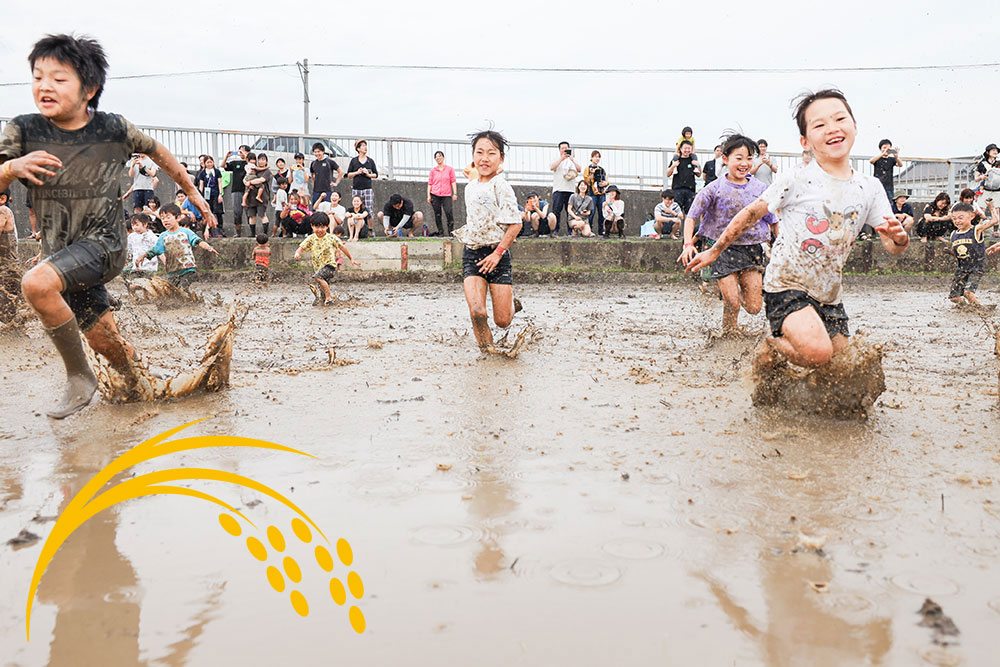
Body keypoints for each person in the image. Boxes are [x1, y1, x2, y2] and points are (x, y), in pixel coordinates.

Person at [686, 88, 909, 372]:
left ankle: (783, 379)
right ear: (806, 140)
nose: (832, 128)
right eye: (819, 124)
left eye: (840, 118)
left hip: (830, 294)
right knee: (818, 353)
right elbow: (751, 214)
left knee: (843, 367)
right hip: (786, 286)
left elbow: (891, 244)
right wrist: (714, 250)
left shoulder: (870, 187)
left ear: (854, 126)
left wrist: (899, 239)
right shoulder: (796, 178)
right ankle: (772, 342)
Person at [680, 134, 777, 334]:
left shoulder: (761, 190)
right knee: (732, 302)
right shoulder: (714, 188)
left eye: (749, 158)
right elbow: (691, 216)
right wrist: (688, 244)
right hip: (721, 249)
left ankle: (737, 289)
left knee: (754, 307)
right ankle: (729, 334)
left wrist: (781, 247)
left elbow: (775, 220)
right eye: (739, 158)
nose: (744, 163)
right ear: (725, 159)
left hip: (752, 249)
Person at [453, 129, 523, 350]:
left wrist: (497, 253)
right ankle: (488, 353)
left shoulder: (502, 186)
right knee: (477, 311)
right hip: (472, 253)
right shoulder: (470, 186)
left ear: (501, 158)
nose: (485, 158)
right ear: (473, 156)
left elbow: (516, 224)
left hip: (497, 254)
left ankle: (512, 305)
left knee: (502, 321)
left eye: (491, 153)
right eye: (480, 152)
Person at [139, 203, 219, 289]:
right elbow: (156, 249)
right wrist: (144, 255)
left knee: (181, 289)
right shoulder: (163, 236)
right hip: (172, 271)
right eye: (162, 218)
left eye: (168, 217)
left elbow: (198, 241)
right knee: (173, 293)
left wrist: (209, 247)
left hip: (187, 269)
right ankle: (194, 301)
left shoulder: (185, 232)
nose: (165, 220)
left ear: (178, 218)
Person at [294, 212, 361, 306]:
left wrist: (351, 259)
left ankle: (329, 298)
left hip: (330, 266)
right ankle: (326, 300)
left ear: (328, 226)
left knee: (317, 277)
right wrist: (297, 253)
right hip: (319, 268)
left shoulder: (331, 238)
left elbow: (342, 247)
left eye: (323, 227)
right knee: (322, 291)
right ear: (312, 226)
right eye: (317, 227)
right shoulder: (311, 238)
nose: (320, 230)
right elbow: (301, 247)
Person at [948, 201, 997, 307]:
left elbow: (994, 221)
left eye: (960, 218)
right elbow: (956, 251)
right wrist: (951, 252)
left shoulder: (976, 230)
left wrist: (991, 208)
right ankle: (966, 307)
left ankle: (979, 310)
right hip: (962, 269)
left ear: (972, 216)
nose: (957, 221)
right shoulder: (953, 234)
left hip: (976, 267)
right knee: (953, 297)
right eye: (954, 218)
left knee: (968, 293)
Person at [549, 141, 581, 235]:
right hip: (558, 189)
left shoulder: (572, 160)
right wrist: (561, 159)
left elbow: (579, 169)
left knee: (570, 212)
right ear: (559, 150)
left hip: (570, 190)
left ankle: (571, 231)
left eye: (566, 148)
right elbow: (552, 167)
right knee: (556, 211)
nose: (564, 150)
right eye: (562, 148)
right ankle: (555, 230)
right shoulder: (556, 159)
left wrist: (572, 160)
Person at [347, 140, 378, 235]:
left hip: (367, 188)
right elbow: (348, 174)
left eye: (365, 145)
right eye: (363, 146)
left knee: (369, 209)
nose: (365, 148)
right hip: (356, 188)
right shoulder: (354, 161)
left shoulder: (370, 161)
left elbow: (376, 174)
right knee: (356, 208)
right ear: (358, 149)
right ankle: (356, 230)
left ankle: (370, 230)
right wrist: (357, 172)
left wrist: (368, 174)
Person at [221, 144, 250, 237]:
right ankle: (238, 233)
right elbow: (223, 166)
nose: (240, 153)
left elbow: (251, 166)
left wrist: (246, 157)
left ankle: (252, 232)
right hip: (236, 190)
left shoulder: (250, 163)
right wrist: (227, 156)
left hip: (247, 190)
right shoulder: (235, 163)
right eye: (239, 150)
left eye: (243, 151)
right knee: (237, 212)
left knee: (249, 212)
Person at [427, 150, 457, 236]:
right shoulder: (433, 171)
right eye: (436, 157)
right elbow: (430, 183)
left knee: (448, 212)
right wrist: (428, 195)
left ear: (443, 157)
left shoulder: (450, 169)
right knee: (437, 214)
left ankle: (451, 232)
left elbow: (453, 181)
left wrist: (454, 193)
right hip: (435, 194)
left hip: (446, 195)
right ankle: (441, 232)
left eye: (440, 156)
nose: (438, 158)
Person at [667, 141, 701, 213]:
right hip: (677, 190)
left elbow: (699, 175)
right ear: (681, 149)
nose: (687, 150)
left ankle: (687, 224)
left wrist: (698, 165)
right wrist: (673, 166)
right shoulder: (676, 160)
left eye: (689, 148)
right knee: (675, 212)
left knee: (689, 213)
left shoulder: (693, 160)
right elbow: (668, 174)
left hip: (690, 190)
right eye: (685, 148)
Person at [195, 155, 225, 238]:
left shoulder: (217, 171)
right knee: (209, 212)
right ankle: (210, 230)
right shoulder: (202, 173)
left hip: (215, 194)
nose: (209, 164)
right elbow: (201, 185)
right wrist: (201, 196)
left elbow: (219, 183)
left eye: (210, 162)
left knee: (218, 212)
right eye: (207, 162)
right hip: (207, 195)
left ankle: (220, 230)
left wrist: (220, 194)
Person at [243, 152, 272, 236]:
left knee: (262, 214)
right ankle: (252, 234)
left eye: (263, 160)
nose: (261, 161)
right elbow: (245, 178)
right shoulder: (253, 169)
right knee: (251, 215)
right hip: (251, 196)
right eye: (259, 159)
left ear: (266, 161)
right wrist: (246, 182)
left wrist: (250, 182)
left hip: (262, 197)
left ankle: (265, 234)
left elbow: (261, 180)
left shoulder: (267, 171)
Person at [583, 150, 609, 236]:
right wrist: (592, 174)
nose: (597, 158)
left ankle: (601, 230)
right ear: (591, 158)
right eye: (595, 156)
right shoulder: (587, 169)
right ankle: (589, 230)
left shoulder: (601, 169)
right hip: (591, 193)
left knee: (602, 212)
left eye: (598, 157)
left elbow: (606, 180)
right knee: (591, 212)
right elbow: (587, 181)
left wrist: (606, 183)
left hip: (601, 193)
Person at [309, 142, 342, 207]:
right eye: (315, 152)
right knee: (315, 209)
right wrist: (314, 185)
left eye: (318, 151)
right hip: (316, 191)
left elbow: (340, 172)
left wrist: (336, 183)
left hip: (328, 190)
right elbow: (312, 175)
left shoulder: (329, 162)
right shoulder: (313, 163)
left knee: (328, 209)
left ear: (323, 151)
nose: (317, 154)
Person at [974, 143, 1000, 208]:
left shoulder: (999, 163)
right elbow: (976, 178)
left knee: (996, 209)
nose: (995, 152)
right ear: (988, 152)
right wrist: (981, 177)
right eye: (993, 150)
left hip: (997, 190)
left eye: (996, 150)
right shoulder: (982, 163)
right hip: (985, 189)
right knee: (982, 208)